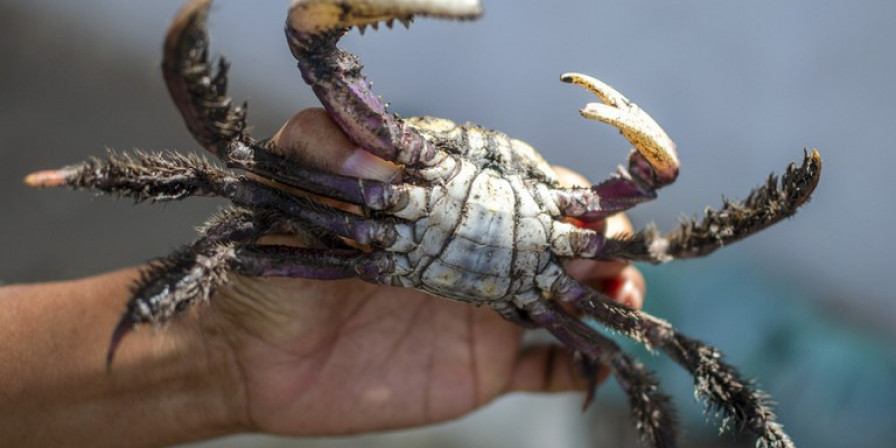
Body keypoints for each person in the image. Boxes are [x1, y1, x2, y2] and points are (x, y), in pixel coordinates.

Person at [0, 109, 646, 447]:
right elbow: (228, 168)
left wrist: (220, 361)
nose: (491, 169)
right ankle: (86, 175)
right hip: (357, 266)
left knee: (650, 319)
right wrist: (211, 346)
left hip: (476, 315)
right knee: (238, 178)